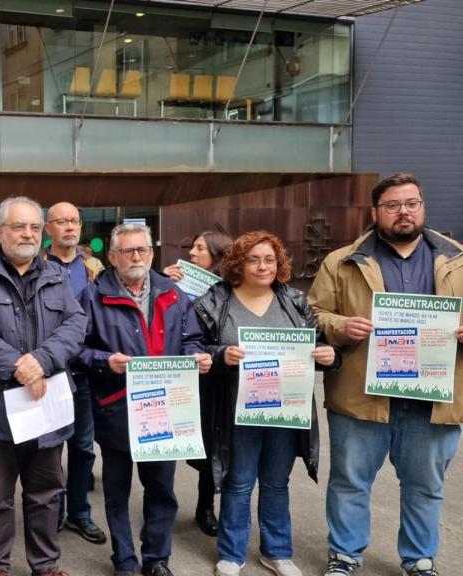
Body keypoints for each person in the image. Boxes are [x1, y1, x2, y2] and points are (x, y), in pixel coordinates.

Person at [309, 173, 463, 576]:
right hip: (360, 397)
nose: (404, 212)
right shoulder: (341, 261)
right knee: (349, 483)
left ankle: (419, 558)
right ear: (375, 212)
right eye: (393, 205)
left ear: (423, 206)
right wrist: (342, 326)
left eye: (412, 203)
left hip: (433, 400)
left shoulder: (459, 259)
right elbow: (314, 313)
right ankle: (344, 555)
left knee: (426, 487)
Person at [0, 197, 86, 576]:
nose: (27, 234)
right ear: (0, 232)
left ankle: (45, 564)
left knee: (45, 493)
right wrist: (19, 367)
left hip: (45, 405)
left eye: (33, 227)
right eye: (18, 226)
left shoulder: (55, 274)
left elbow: (76, 324)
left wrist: (41, 361)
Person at [194, 231, 338, 576]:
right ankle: (231, 553)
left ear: (279, 264)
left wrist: (328, 355)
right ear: (237, 264)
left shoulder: (294, 301)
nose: (262, 266)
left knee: (276, 482)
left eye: (269, 259)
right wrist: (220, 354)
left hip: (284, 410)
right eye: (253, 260)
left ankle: (277, 551)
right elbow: (194, 347)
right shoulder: (215, 300)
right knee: (238, 481)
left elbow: (315, 345)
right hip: (235, 409)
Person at [74, 223, 211, 576]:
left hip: (165, 412)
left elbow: (191, 338)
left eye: (142, 250)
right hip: (116, 408)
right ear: (113, 256)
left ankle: (156, 559)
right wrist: (106, 362)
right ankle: (124, 561)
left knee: (162, 491)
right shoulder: (92, 297)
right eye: (128, 251)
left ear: (152, 253)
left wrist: (196, 356)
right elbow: (75, 351)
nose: (136, 257)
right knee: (117, 492)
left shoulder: (175, 294)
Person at [40, 202, 106, 545]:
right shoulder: (35, 265)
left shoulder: (94, 268)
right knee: (48, 449)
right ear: (47, 228)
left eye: (75, 221)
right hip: (48, 372)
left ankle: (80, 512)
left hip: (83, 372)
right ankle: (54, 512)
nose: (70, 227)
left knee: (82, 447)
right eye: (61, 221)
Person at [163, 230, 233, 537]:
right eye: (192, 247)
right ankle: (161, 506)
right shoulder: (172, 283)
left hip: (214, 376)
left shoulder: (230, 290)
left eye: (200, 248)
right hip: (178, 372)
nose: (192, 253)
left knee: (212, 443)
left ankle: (206, 506)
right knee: (166, 440)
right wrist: (162, 282)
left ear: (216, 256)